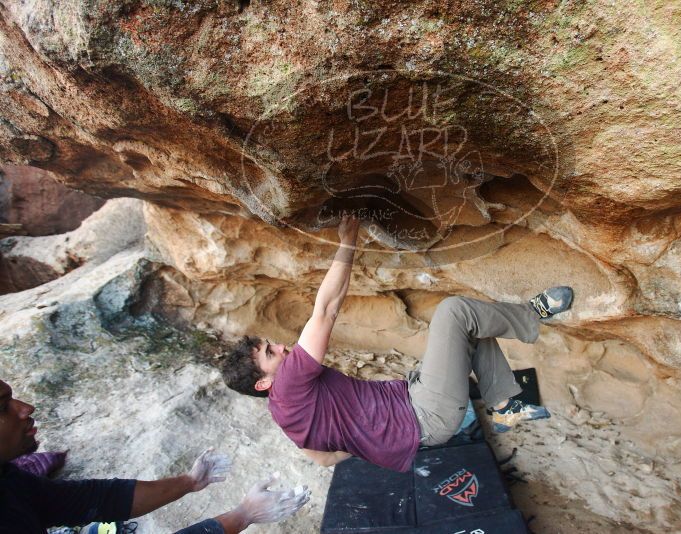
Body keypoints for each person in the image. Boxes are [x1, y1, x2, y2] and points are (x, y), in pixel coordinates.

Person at [221, 214, 573, 472]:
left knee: (468, 333)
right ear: (263, 382)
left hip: (415, 415)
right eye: (271, 353)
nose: (282, 348)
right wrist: (347, 240)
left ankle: (505, 405)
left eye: (273, 344)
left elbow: (325, 458)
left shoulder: (284, 417)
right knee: (455, 312)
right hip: (424, 414)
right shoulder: (291, 381)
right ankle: (531, 314)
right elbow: (326, 310)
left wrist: (373, 439)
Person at [0, 379, 310, 533]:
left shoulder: (7, 479)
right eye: (4, 407)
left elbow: (95, 498)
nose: (26, 408)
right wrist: (243, 515)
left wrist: (188, 482)